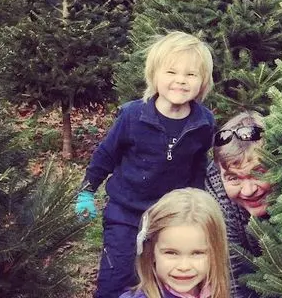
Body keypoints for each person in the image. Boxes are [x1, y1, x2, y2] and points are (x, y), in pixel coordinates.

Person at [75, 31, 217, 298]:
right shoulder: (133, 116)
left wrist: (198, 206)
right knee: (116, 278)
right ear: (154, 75)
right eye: (171, 72)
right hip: (125, 215)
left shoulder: (203, 122)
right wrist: (87, 191)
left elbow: (199, 167)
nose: (180, 81)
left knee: (161, 280)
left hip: (169, 219)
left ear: (203, 82)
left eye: (191, 75)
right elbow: (106, 155)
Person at [204, 111, 271, 298]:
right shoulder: (219, 205)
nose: (248, 190)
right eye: (233, 178)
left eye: (258, 173)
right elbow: (233, 278)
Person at [119, 187, 231, 298]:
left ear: (216, 252)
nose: (184, 267)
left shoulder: (212, 293)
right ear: (151, 252)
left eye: (197, 253)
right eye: (171, 253)